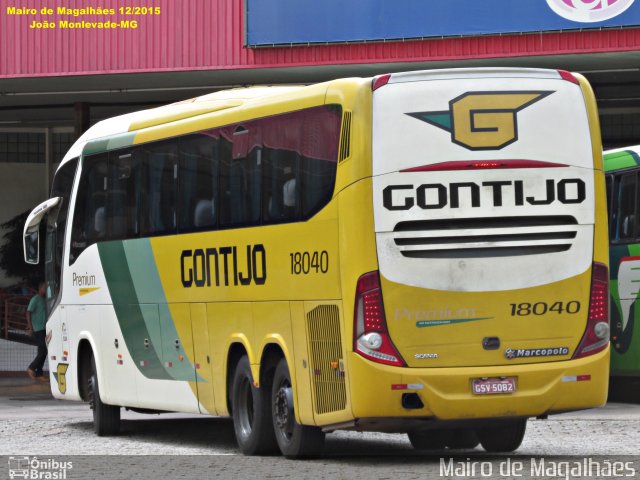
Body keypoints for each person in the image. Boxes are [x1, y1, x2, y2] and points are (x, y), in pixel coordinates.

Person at [26, 282, 48, 381]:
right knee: (43, 350)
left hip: (44, 328)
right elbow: (28, 312)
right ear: (40, 288)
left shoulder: (45, 299)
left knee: (43, 351)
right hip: (37, 329)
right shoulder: (35, 299)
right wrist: (31, 328)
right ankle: (31, 368)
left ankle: (39, 373)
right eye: (45, 288)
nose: (47, 289)